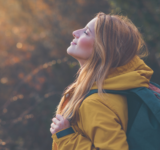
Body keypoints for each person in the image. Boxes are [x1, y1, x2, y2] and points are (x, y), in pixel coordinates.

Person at [50, 12, 153, 150]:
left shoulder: (95, 102)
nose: (75, 32)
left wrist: (67, 138)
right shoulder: (122, 86)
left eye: (86, 32)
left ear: (102, 48)